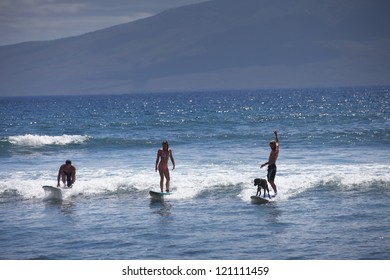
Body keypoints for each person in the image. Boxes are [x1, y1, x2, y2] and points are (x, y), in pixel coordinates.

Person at [260, 129, 279, 195]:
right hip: (271, 167)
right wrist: (276, 135)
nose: (270, 147)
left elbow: (272, 161)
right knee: (269, 180)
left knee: (270, 181)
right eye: (270, 146)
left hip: (272, 167)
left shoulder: (275, 151)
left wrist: (264, 164)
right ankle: (274, 191)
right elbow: (277, 142)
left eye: (271, 146)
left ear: (273, 145)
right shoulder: (275, 147)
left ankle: (276, 193)